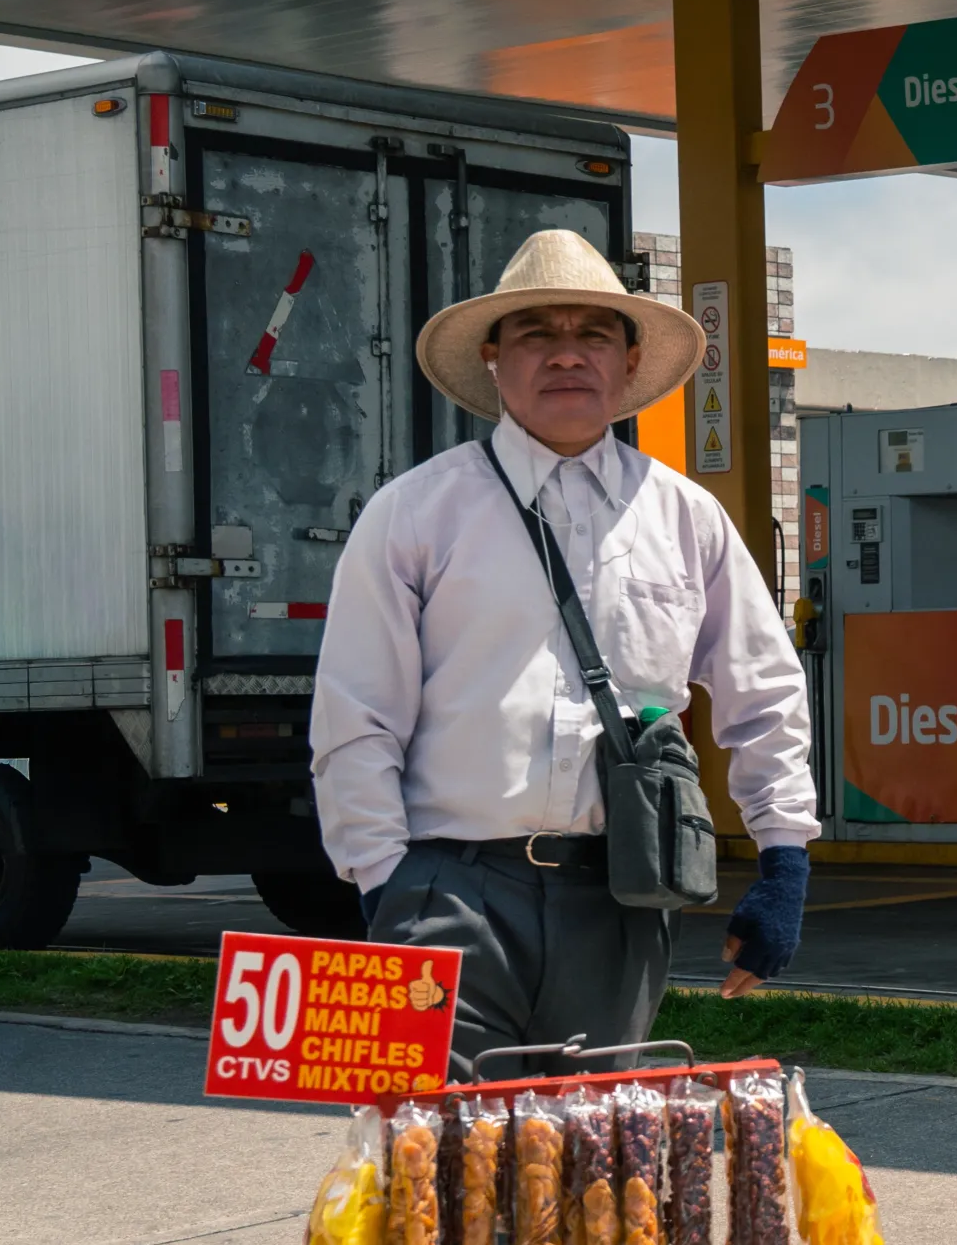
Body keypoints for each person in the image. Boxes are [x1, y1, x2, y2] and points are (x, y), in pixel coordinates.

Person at [310, 230, 818, 1065]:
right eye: (538, 333)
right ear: (495, 360)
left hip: (617, 900)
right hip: (447, 889)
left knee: (589, 1169)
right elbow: (355, 716)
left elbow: (765, 694)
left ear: (627, 362)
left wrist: (783, 863)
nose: (566, 355)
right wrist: (385, 886)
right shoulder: (415, 515)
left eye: (592, 334)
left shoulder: (686, 520)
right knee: (439, 1172)